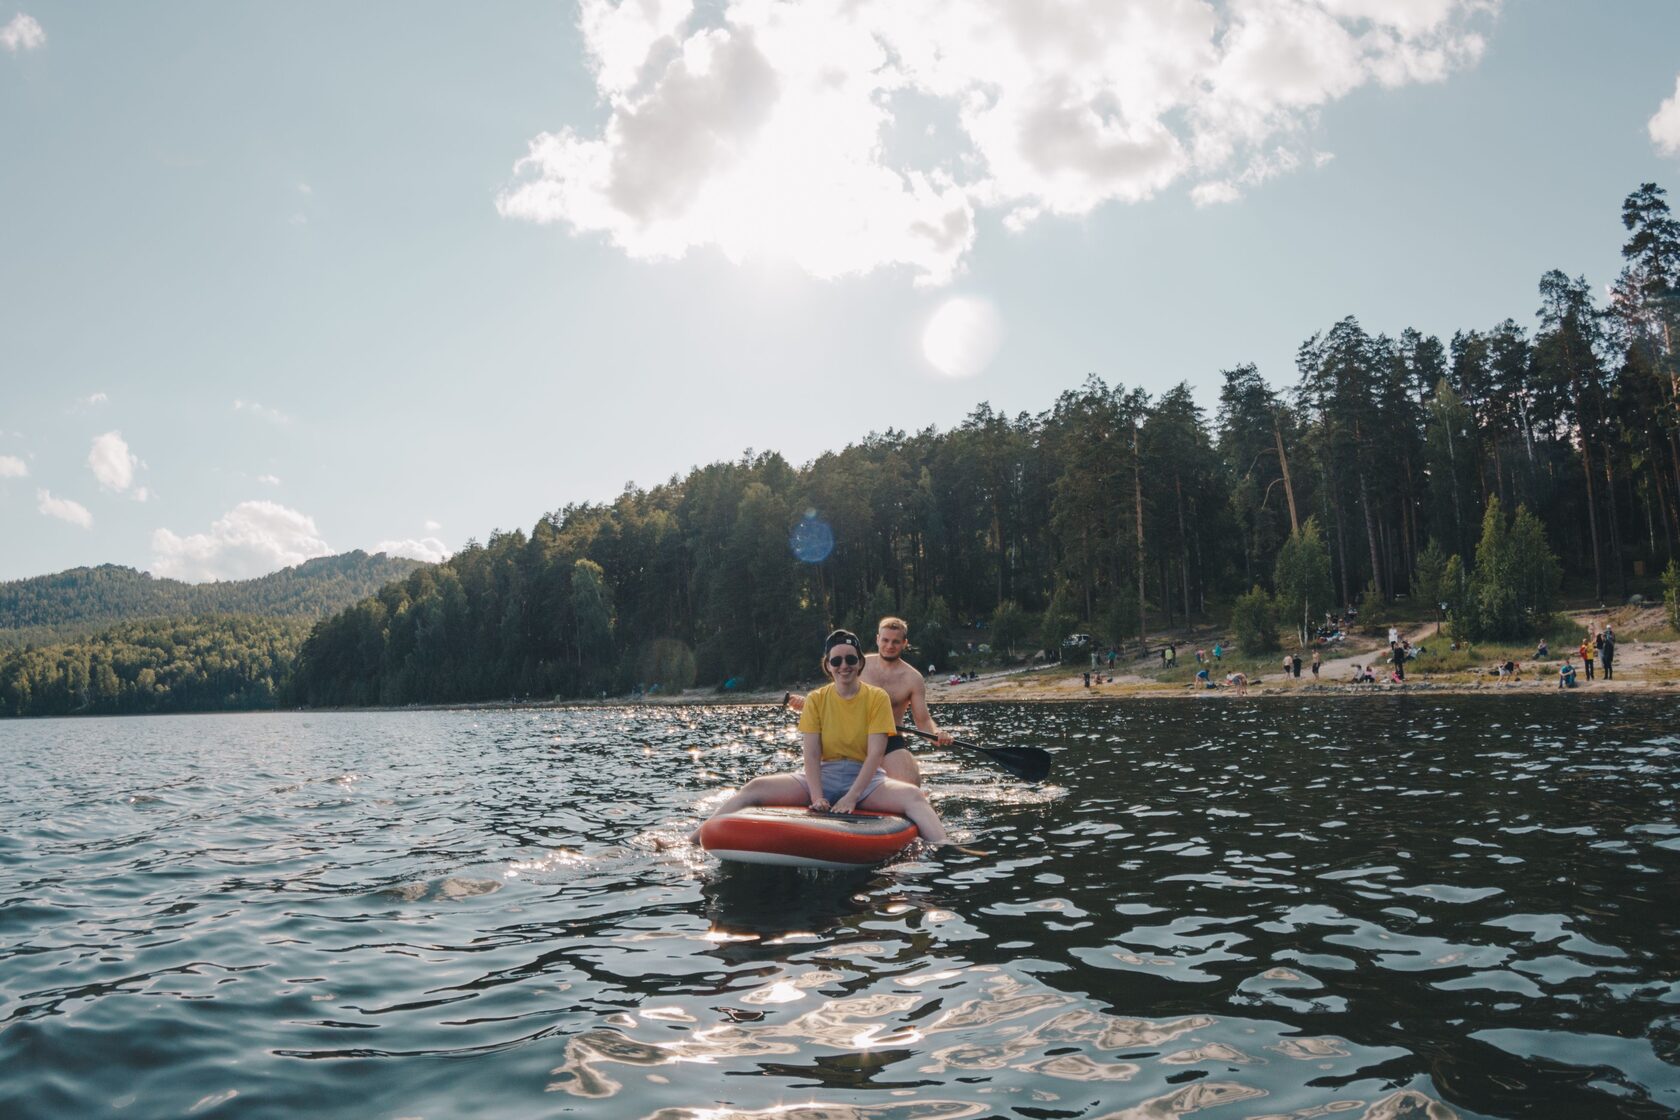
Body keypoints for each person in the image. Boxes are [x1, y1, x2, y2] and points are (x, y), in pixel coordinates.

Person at [695, 630, 952, 845]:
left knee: (914, 798)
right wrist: (817, 797)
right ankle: (695, 840)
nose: (844, 666)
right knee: (754, 788)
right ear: (828, 665)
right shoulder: (816, 699)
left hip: (867, 780)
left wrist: (852, 797)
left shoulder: (877, 698)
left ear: (860, 663)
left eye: (850, 660)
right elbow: (812, 753)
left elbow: (875, 754)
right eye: (836, 661)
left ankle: (947, 848)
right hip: (822, 775)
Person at [789, 617, 953, 787]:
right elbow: (834, 696)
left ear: (904, 643)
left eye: (896, 641)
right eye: (885, 640)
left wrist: (937, 735)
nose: (890, 646)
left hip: (890, 739)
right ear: (877, 639)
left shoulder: (913, 678)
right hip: (851, 737)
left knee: (910, 781)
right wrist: (808, 704)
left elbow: (923, 721)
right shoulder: (857, 663)